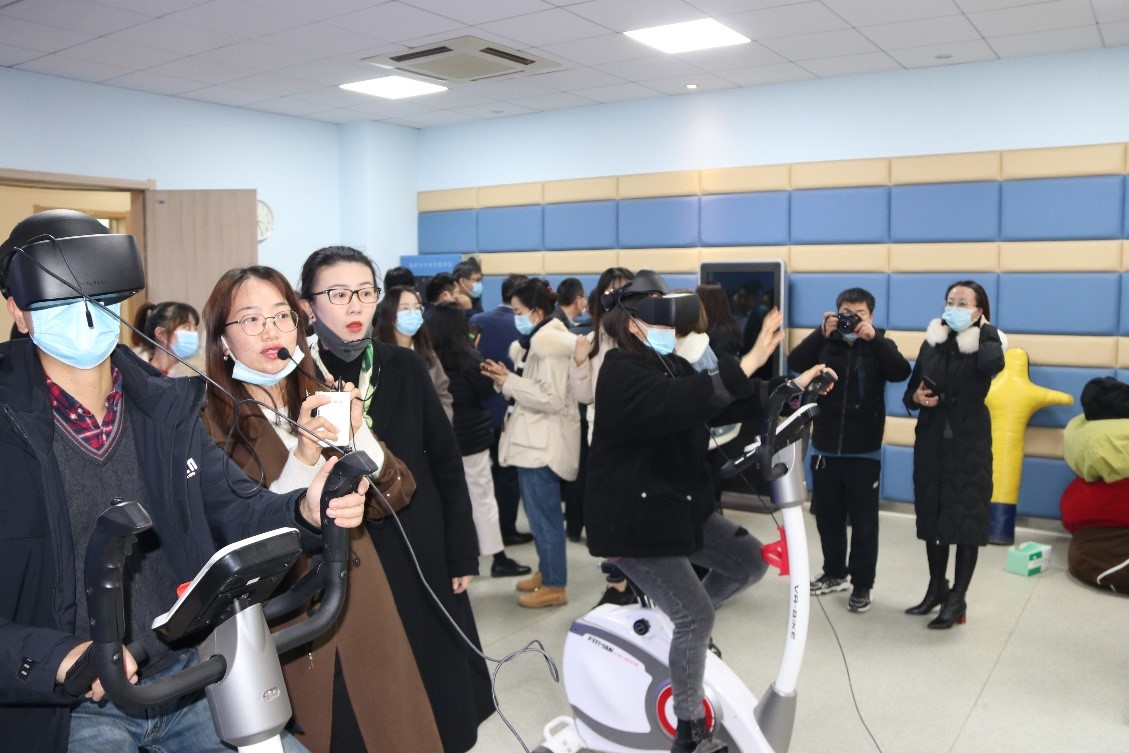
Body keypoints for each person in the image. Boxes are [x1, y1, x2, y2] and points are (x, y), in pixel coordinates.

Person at [0, 210, 367, 753]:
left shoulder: (163, 409)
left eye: (98, 297)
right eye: (60, 301)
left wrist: (305, 512)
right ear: (18, 311)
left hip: (185, 677)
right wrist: (56, 657)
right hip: (71, 707)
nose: (84, 314)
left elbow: (236, 510)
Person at [584, 270, 832, 753]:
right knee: (696, 616)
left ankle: (681, 630)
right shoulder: (619, 371)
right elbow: (682, 403)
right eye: (657, 318)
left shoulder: (670, 364)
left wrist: (792, 387)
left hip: (678, 509)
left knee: (749, 562)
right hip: (634, 523)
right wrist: (749, 359)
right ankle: (689, 729)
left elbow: (722, 404)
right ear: (632, 322)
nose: (667, 327)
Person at [201, 265, 443, 753]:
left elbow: (395, 493)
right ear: (222, 342)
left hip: (362, 600)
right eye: (251, 320)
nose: (271, 332)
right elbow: (240, 532)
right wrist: (304, 456)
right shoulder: (207, 421)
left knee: (389, 731)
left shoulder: (317, 393)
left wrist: (358, 433)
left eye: (282, 316)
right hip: (286, 622)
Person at [298, 246, 493, 752]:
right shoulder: (297, 377)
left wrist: (461, 550)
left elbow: (445, 462)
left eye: (365, 292)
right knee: (367, 693)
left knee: (435, 673)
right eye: (338, 294)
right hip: (343, 551)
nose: (355, 305)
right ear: (307, 305)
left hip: (418, 540)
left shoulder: (403, 364)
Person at [788, 287, 911, 613]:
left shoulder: (879, 344)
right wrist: (820, 332)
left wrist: (875, 339)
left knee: (864, 524)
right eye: (846, 314)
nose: (852, 320)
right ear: (836, 313)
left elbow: (901, 371)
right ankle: (834, 573)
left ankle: (862, 584)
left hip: (864, 450)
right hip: (825, 446)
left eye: (860, 315)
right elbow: (795, 362)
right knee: (827, 517)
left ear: (870, 316)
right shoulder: (825, 342)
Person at [902, 280, 1006, 630]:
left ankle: (958, 597)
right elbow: (910, 391)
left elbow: (992, 366)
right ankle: (937, 588)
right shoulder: (933, 340)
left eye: (963, 303)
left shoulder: (988, 342)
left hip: (968, 441)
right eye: (950, 301)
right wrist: (916, 398)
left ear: (979, 311)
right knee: (933, 516)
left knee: (965, 519)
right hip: (931, 440)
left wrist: (987, 332)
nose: (954, 308)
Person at [481, 277, 580, 608]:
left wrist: (509, 381)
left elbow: (550, 398)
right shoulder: (534, 341)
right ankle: (548, 570)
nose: (515, 317)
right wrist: (505, 380)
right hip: (532, 439)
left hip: (542, 443)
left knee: (545, 518)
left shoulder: (549, 346)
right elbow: (530, 389)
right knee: (539, 517)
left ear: (537, 312)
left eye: (518, 311)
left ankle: (555, 585)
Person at [428, 301, 530, 578]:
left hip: (441, 441)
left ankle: (452, 561)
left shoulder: (426, 358)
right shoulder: (470, 358)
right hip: (472, 439)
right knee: (482, 499)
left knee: (446, 502)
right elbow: (486, 392)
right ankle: (498, 558)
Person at [569, 266, 635, 605]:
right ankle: (617, 582)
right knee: (610, 513)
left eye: (625, 290)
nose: (618, 298)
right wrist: (580, 363)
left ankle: (635, 582)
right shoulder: (594, 339)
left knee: (635, 511)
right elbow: (584, 396)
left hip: (639, 435)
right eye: (612, 291)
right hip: (603, 437)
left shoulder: (643, 335)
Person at [470, 273, 531, 546]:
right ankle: (508, 529)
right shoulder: (524, 326)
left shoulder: (477, 320)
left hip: (480, 409)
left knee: (484, 477)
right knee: (508, 475)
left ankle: (486, 532)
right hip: (510, 408)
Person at [374, 284, 455, 422]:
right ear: (390, 313)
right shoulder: (376, 353)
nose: (413, 313)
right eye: (405, 308)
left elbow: (442, 392)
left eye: (417, 308)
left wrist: (440, 422)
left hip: (428, 430)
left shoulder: (425, 350)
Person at [131, 299, 201, 376]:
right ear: (161, 334)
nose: (194, 333)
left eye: (195, 328)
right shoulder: (133, 371)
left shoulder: (180, 377)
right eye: (187, 327)